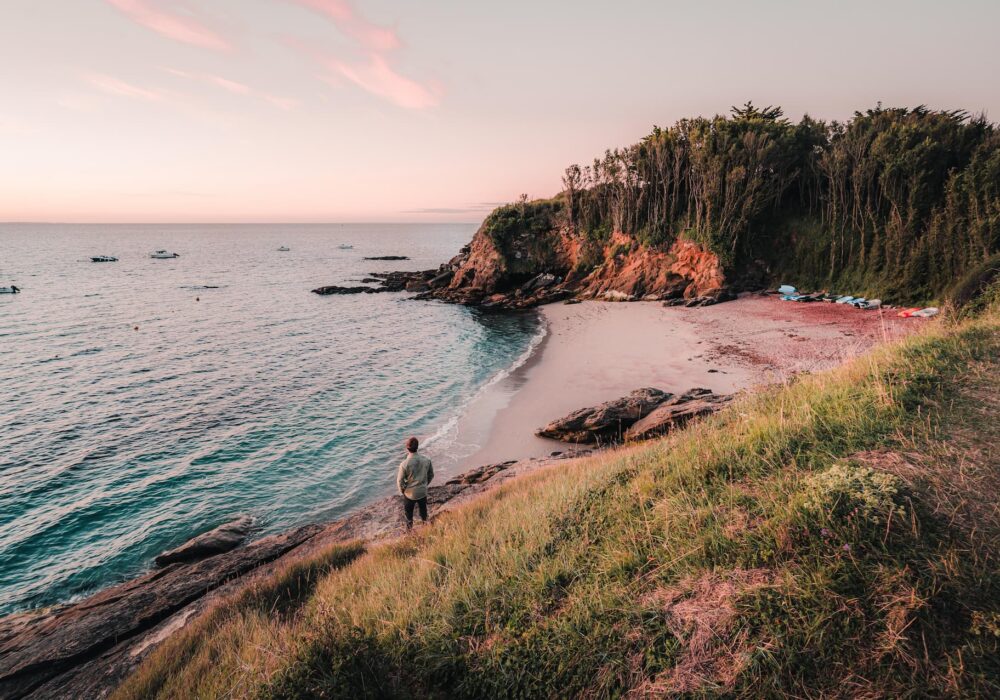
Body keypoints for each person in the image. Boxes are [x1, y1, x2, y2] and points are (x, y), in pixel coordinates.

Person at [397, 437, 433, 530]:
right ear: (417, 447)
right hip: (422, 492)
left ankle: (410, 532)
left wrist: (403, 491)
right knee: (423, 512)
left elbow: (400, 481)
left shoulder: (404, 464)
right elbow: (431, 475)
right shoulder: (426, 460)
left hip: (410, 494)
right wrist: (425, 484)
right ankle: (426, 528)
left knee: (409, 515)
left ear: (407, 448)